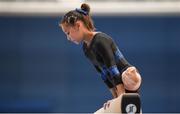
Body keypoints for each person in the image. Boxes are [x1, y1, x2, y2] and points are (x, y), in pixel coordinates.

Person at [59, 3, 142, 113]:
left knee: (126, 74)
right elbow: (103, 73)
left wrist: (121, 96)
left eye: (68, 33)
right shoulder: (86, 49)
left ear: (78, 25)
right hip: (118, 83)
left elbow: (112, 67)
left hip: (128, 77)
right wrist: (115, 99)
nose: (68, 38)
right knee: (106, 74)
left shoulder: (100, 40)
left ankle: (132, 74)